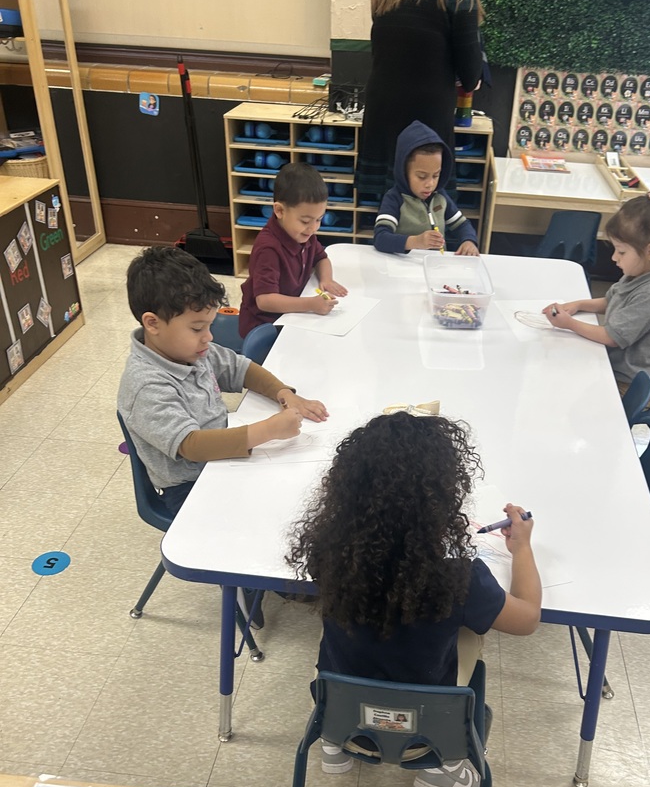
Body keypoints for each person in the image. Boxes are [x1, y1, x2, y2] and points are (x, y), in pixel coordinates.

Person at [287, 412, 541, 787]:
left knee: (339, 627)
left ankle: (335, 745)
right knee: (471, 633)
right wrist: (521, 547)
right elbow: (527, 620)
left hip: (339, 713)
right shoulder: (460, 578)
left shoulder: (328, 554)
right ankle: (446, 769)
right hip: (425, 733)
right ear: (442, 497)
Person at [118, 246, 328, 516]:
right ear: (153, 323)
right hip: (189, 486)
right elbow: (191, 445)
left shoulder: (190, 348)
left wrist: (284, 392)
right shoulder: (146, 384)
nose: (208, 337)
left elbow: (240, 368)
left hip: (223, 460)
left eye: (210, 326)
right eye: (197, 328)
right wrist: (269, 430)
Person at [355, 0, 483, 208]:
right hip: (428, 114)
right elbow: (470, 76)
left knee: (386, 209)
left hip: (383, 108)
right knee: (426, 207)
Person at [543, 184, 650, 405]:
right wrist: (578, 305)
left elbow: (611, 337)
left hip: (632, 386)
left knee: (567, 396)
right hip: (621, 372)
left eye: (621, 251)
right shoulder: (640, 272)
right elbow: (611, 301)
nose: (614, 259)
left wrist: (569, 323)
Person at [238, 162, 348, 339]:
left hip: (293, 315)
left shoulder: (303, 234)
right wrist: (311, 304)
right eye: (305, 221)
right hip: (265, 326)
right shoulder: (269, 248)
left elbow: (321, 258)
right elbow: (265, 300)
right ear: (280, 210)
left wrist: (326, 279)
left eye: (319, 219)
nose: (313, 228)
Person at [373, 120, 479, 255]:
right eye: (422, 177)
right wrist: (415, 241)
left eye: (436, 175)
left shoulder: (440, 196)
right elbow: (381, 238)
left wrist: (469, 241)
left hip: (435, 267)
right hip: (401, 268)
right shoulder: (394, 198)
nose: (430, 184)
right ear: (404, 172)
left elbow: (462, 225)